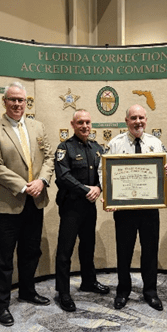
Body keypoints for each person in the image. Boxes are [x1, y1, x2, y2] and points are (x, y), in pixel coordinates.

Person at [0, 82, 54, 326]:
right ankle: (2, 306)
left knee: (31, 251)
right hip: (7, 204)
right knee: (2, 259)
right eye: (12, 99)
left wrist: (42, 181)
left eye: (21, 100)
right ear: (4, 102)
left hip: (35, 202)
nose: (17, 104)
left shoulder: (37, 127)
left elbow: (49, 158)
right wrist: (25, 186)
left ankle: (27, 291)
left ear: (26, 102)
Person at [101, 104, 167, 311]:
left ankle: (150, 292)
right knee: (124, 251)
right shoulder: (114, 144)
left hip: (150, 208)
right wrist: (108, 197)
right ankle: (123, 291)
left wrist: (166, 169)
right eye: (133, 118)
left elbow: (165, 167)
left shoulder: (155, 143)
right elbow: (102, 172)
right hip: (123, 210)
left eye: (141, 117)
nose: (138, 122)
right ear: (126, 121)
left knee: (150, 251)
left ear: (146, 120)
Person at [54, 109, 110, 312]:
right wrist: (87, 190)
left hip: (89, 206)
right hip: (71, 207)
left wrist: (99, 188)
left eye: (87, 122)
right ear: (73, 124)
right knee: (65, 250)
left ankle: (89, 281)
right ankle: (63, 292)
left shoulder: (97, 148)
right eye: (80, 123)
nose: (85, 126)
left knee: (88, 246)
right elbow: (63, 177)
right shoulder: (64, 148)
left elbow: (105, 173)